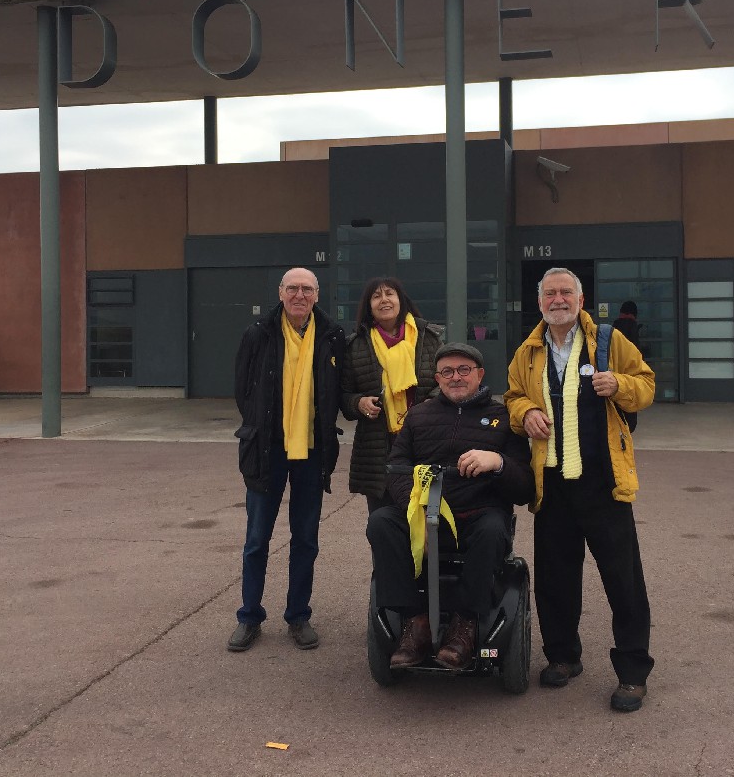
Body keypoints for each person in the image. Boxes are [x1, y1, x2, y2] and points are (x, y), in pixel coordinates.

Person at [504, 267, 656, 712]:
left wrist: (620, 384)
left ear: (580, 299)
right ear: (540, 302)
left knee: (623, 581)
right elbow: (512, 396)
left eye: (565, 292)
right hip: (551, 485)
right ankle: (563, 656)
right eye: (550, 293)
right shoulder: (527, 351)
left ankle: (632, 673)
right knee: (555, 579)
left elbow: (646, 385)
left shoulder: (609, 341)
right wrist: (526, 412)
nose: (558, 300)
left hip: (603, 482)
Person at [367, 343, 534, 670]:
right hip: (424, 514)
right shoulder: (419, 415)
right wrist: (415, 508)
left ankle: (465, 625)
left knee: (492, 529)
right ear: (438, 378)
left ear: (480, 374)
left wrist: (498, 462)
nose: (455, 377)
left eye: (463, 370)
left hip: (476, 515)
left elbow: (525, 486)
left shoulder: (503, 418)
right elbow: (397, 466)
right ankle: (414, 621)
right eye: (447, 371)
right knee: (381, 522)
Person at [228, 267, 345, 653]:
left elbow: (338, 389)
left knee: (306, 538)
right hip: (267, 450)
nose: (299, 295)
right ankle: (249, 616)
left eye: (307, 289)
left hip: (312, 451)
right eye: (292, 288)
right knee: (257, 538)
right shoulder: (257, 334)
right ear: (280, 292)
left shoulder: (332, 335)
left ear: (317, 295)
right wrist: (261, 425)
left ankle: (298, 615)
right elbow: (243, 390)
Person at [340, 277, 443, 514]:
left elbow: (446, 381)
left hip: (424, 439)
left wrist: (431, 402)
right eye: (376, 296)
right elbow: (344, 396)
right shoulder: (355, 345)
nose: (384, 300)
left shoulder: (428, 337)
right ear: (369, 306)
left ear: (400, 300)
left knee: (427, 518)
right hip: (378, 446)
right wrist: (359, 403)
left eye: (389, 294)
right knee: (383, 519)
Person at [611, 301, 642, 433]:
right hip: (629, 372)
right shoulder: (633, 327)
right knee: (629, 397)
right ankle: (628, 427)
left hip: (613, 371)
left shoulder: (614, 326)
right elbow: (636, 351)